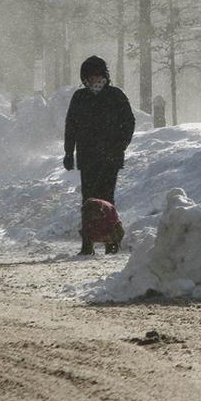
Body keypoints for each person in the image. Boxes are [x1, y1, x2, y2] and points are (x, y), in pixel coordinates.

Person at [64, 55, 135, 255]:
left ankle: (111, 240)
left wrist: (121, 145)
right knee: (89, 200)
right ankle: (88, 242)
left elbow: (129, 122)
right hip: (87, 157)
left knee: (107, 199)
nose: (96, 81)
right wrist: (69, 152)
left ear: (105, 77)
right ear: (85, 79)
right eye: (91, 77)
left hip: (111, 157)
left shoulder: (116, 96)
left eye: (99, 77)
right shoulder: (79, 98)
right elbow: (71, 126)